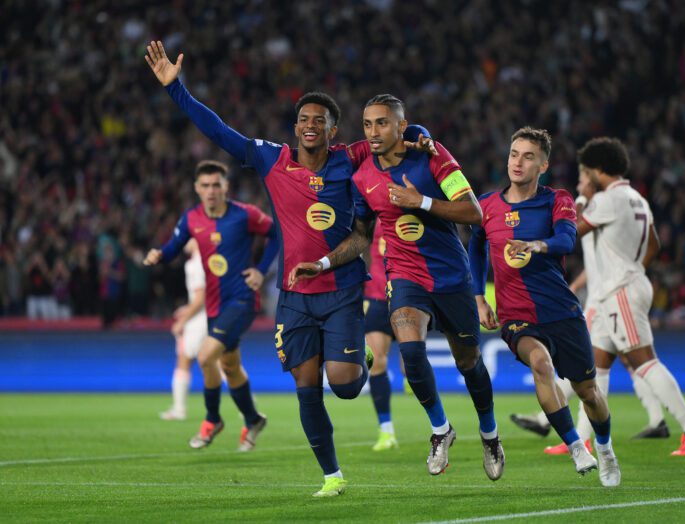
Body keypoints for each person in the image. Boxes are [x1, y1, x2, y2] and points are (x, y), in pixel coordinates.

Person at [145, 41, 433, 497]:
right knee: (305, 385)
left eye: (320, 120)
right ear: (295, 127)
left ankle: (360, 357)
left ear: (333, 130)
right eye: (304, 119)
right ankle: (332, 476)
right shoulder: (270, 159)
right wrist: (175, 90)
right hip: (296, 296)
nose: (310, 125)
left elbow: (392, 134)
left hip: (340, 287)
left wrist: (418, 131)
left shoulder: (350, 157)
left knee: (342, 385)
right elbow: (218, 131)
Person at [290, 94, 505, 481]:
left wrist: (420, 201)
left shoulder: (434, 156)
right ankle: (441, 430)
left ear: (402, 127)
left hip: (452, 278)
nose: (373, 132)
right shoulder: (362, 179)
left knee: (468, 363)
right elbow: (360, 237)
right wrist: (321, 263)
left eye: (383, 123)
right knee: (410, 349)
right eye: (368, 124)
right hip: (405, 277)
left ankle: (489, 434)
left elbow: (474, 213)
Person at [469, 127, 620, 487]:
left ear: (543, 165)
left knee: (589, 392)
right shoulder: (486, 205)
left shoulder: (558, 199)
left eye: (528, 156)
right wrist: (478, 298)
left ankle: (605, 449)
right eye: (513, 154)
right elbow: (474, 247)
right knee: (540, 363)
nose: (517, 162)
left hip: (561, 311)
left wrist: (538, 245)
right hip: (516, 315)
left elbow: (568, 239)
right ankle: (574, 445)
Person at [509, 171, 669, 451]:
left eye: (583, 181)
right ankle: (590, 433)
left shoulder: (599, 212)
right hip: (608, 294)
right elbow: (594, 264)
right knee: (602, 369)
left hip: (608, 298)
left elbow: (568, 236)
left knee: (625, 364)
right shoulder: (618, 210)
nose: (579, 185)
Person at [575, 136, 685, 456]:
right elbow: (654, 245)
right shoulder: (637, 198)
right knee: (597, 368)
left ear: (598, 169)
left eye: (588, 170)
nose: (586, 176)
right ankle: (583, 439)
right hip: (622, 288)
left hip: (619, 290)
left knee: (644, 362)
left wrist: (580, 201)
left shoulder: (608, 200)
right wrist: (634, 269)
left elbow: (572, 231)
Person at [144, 160, 277, 452]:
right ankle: (254, 419)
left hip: (243, 299)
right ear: (196, 188)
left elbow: (277, 233)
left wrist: (261, 269)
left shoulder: (245, 215)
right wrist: (158, 255)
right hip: (216, 305)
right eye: (205, 186)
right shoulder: (191, 218)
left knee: (205, 356)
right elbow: (172, 248)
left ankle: (212, 419)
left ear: (226, 187)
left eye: (216, 184)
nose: (211, 191)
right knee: (230, 366)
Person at [159, 239, 208, 421]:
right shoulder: (210, 261)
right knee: (223, 363)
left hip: (198, 322)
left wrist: (183, 320)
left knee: (184, 360)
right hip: (212, 317)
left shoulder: (195, 264)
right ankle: (249, 407)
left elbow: (200, 298)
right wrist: (186, 309)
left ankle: (179, 410)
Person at [364, 219, 398, 451]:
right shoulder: (370, 214)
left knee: (413, 364)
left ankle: (440, 429)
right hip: (376, 296)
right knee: (376, 361)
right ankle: (386, 430)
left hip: (408, 295)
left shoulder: (414, 208)